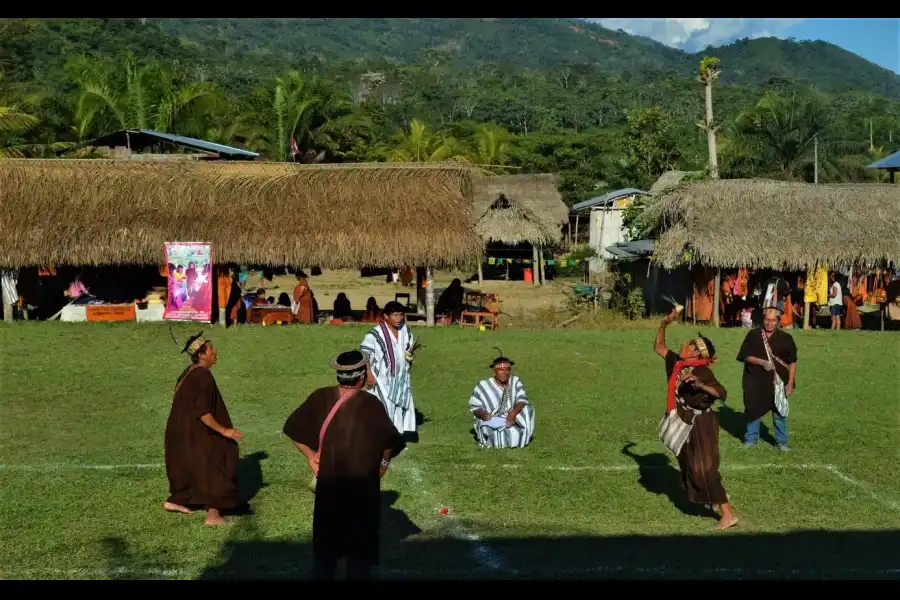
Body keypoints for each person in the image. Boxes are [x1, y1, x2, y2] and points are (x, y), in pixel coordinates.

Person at [283, 350, 405, 580]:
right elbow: (390, 439)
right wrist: (384, 462)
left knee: (326, 545)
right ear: (361, 376)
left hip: (328, 484)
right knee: (359, 552)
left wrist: (310, 456)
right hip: (362, 486)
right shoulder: (370, 404)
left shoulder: (320, 397)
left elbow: (292, 427)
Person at [654, 308, 738, 530]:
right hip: (684, 417)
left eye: (692, 345)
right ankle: (712, 493)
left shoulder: (702, 373)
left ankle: (727, 512)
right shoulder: (679, 365)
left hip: (702, 424)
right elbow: (659, 348)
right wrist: (664, 323)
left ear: (697, 354)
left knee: (703, 469)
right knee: (687, 463)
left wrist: (701, 386)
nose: (686, 345)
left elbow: (722, 393)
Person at [163, 332, 244, 525]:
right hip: (195, 432)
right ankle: (213, 516)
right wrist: (224, 431)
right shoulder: (203, 376)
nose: (215, 352)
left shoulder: (189, 371)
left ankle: (175, 501)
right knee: (215, 465)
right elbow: (203, 412)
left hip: (178, 431)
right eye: (211, 349)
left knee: (189, 467)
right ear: (201, 355)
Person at [737, 304, 798, 451]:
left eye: (773, 320)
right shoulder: (753, 335)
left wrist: (790, 382)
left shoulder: (786, 338)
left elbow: (792, 362)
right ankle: (751, 439)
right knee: (753, 409)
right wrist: (761, 362)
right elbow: (745, 356)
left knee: (779, 411)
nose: (770, 323)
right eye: (767, 320)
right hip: (755, 381)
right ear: (762, 319)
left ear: (778, 321)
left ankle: (781, 442)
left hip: (778, 382)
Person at [360, 301, 418, 437]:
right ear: (386, 316)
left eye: (401, 315)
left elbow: (408, 349)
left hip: (401, 377)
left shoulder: (406, 331)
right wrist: (369, 374)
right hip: (381, 378)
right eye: (395, 315)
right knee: (384, 407)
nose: (399, 318)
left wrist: (410, 357)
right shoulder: (375, 334)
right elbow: (364, 354)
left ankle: (396, 437)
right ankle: (380, 438)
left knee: (399, 407)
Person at [468, 353, 535, 448]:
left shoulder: (515, 381)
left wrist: (513, 413)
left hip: (511, 418)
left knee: (528, 409)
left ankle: (521, 439)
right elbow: (475, 407)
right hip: (491, 419)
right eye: (501, 370)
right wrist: (484, 416)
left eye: (508, 369)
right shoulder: (483, 386)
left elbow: (522, 400)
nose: (506, 372)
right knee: (495, 432)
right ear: (494, 372)